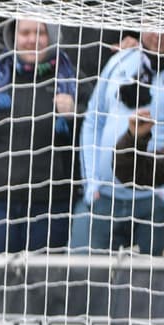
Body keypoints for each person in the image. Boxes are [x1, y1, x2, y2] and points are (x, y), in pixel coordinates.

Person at [0, 17, 80, 253]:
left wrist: (75, 115)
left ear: (52, 36)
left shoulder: (72, 78)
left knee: (42, 286)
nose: (32, 40)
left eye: (40, 32)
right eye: (25, 33)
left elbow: (89, 141)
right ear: (13, 36)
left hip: (50, 206)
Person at [69, 25, 164, 256]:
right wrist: (91, 182)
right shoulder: (120, 60)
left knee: (148, 287)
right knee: (86, 279)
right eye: (153, 25)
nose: (158, 34)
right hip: (104, 197)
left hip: (155, 203)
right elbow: (93, 120)